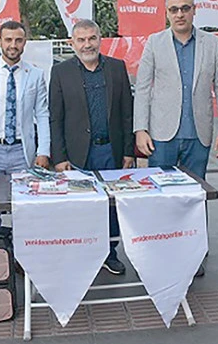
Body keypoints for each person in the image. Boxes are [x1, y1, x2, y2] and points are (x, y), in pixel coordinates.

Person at [49, 19, 134, 275]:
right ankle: (83, 255)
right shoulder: (60, 72)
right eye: (81, 40)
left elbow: (127, 113)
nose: (87, 44)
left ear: (100, 39)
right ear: (72, 43)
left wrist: (129, 151)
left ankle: (110, 253)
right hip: (77, 153)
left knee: (111, 207)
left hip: (111, 151)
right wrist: (59, 157)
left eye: (92, 38)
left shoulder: (117, 68)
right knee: (80, 206)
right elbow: (55, 117)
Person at [134, 0, 218, 179]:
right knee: (160, 194)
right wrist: (140, 130)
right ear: (167, 13)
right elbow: (142, 89)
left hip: (198, 134)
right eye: (173, 10)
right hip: (162, 135)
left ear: (194, 10)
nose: (179, 14)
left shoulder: (212, 43)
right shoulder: (154, 43)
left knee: (196, 194)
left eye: (185, 8)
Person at [0, 21, 51, 232]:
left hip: (22, 152)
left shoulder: (35, 74)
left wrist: (44, 151)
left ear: (24, 43)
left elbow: (42, 114)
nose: (13, 45)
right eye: (8, 40)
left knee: (25, 211)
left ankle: (22, 259)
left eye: (18, 40)